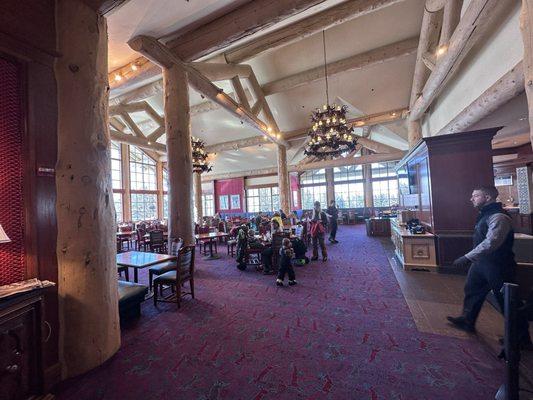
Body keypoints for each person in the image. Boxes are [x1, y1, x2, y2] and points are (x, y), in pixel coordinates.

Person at [447, 186, 531, 345]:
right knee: (472, 291)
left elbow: (491, 243)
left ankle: (521, 338)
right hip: (482, 263)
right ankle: (468, 320)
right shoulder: (485, 214)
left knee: (507, 300)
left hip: (498, 265)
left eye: (475, 196)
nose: (471, 199)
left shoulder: (498, 217)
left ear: (487, 197)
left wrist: (466, 257)